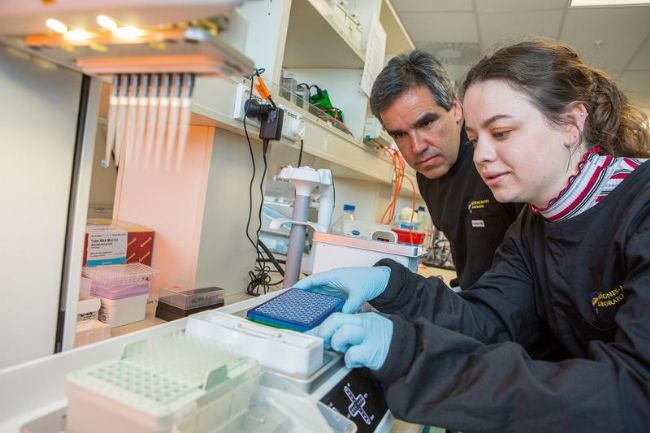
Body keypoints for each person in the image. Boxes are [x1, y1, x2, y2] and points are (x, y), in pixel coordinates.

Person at [295, 40, 650, 432]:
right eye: (476, 140)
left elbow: (634, 395)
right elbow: (490, 319)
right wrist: (392, 287)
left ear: (570, 123)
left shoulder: (641, 209)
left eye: (501, 132)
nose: (480, 156)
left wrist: (414, 359)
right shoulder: (532, 225)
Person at [369, 50, 522, 289]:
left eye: (426, 123)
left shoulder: (494, 158)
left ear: (456, 110)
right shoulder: (427, 174)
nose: (417, 147)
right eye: (399, 134)